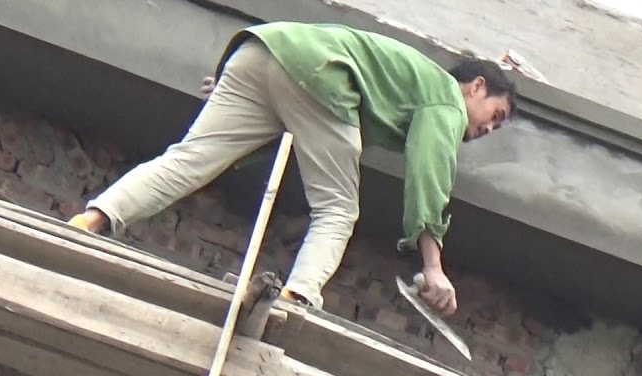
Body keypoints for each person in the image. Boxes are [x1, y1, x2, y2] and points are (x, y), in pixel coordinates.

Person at [67, 21, 518, 315]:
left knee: (186, 162)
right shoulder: (445, 98)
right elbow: (430, 172)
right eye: (494, 116)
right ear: (476, 87)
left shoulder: (411, 82)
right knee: (338, 209)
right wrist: (433, 265)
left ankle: (92, 219)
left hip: (260, 52)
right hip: (319, 75)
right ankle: (294, 299)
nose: (487, 130)